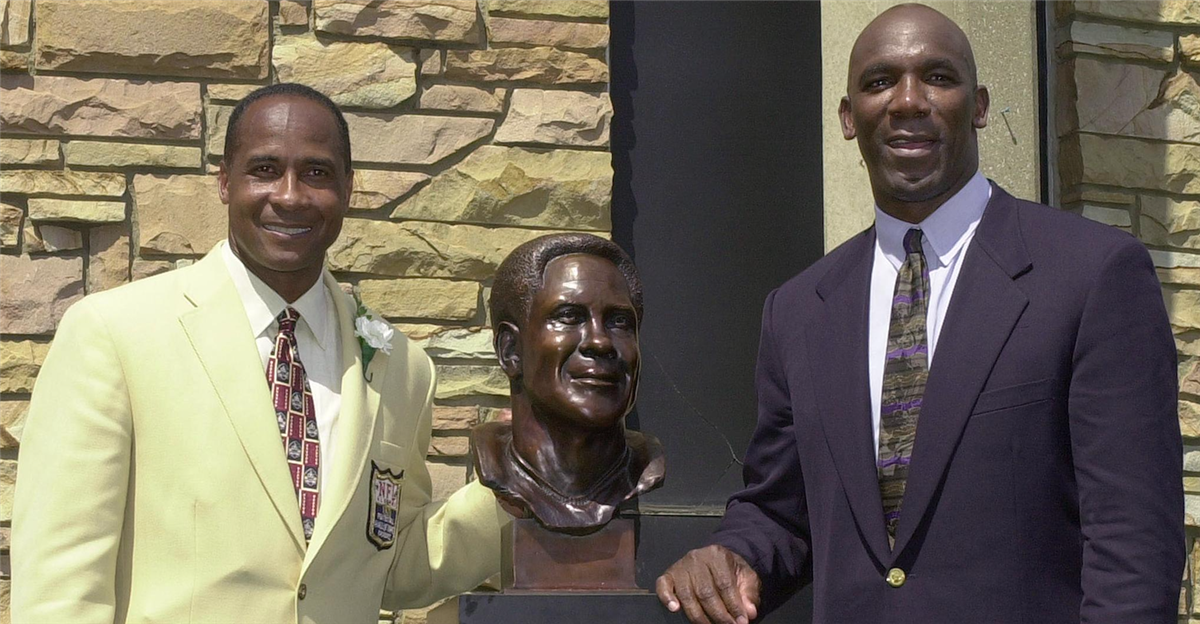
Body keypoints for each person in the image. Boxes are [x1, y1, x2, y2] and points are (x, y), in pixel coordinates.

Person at [656, 4, 1183, 623]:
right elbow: (783, 510)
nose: (907, 100)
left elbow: (1133, 541)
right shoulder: (798, 310)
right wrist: (728, 556)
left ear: (980, 106)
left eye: (938, 77)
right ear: (849, 119)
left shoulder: (1091, 276)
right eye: (880, 82)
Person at [12, 83, 506, 623]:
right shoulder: (115, 335)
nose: (290, 195)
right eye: (265, 169)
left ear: (349, 188)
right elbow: (61, 585)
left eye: (316, 172)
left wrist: (510, 490)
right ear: (225, 182)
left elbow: (391, 566)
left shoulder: (402, 368)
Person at [473, 233, 664, 534]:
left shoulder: (644, 468)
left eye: (619, 322)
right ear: (511, 351)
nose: (600, 341)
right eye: (569, 317)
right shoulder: (496, 465)